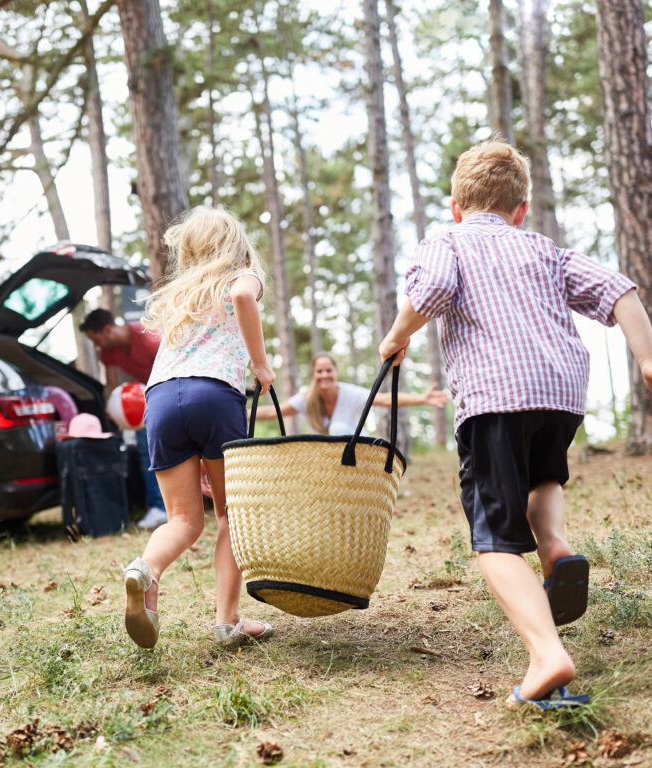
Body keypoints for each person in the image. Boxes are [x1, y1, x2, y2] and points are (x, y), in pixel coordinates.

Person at [377, 140, 652, 710]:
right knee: (543, 478)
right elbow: (619, 290)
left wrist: (398, 335)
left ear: (456, 206)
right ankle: (554, 546)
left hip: (496, 396)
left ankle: (547, 655)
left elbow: (435, 288)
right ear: (520, 210)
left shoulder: (447, 240)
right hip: (559, 394)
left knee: (493, 539)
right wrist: (650, 362)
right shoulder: (544, 248)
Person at [121, 206, 277, 650]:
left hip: (160, 400)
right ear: (235, 244)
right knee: (231, 515)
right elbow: (244, 296)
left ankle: (145, 570)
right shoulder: (240, 276)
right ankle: (228, 621)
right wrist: (261, 365)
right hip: (214, 395)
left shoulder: (180, 296)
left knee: (184, 520)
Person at [79, 308, 168, 530]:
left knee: (158, 448)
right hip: (148, 398)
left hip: (169, 388)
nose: (96, 346)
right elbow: (111, 384)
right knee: (145, 450)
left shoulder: (147, 337)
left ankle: (166, 506)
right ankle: (159, 507)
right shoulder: (108, 352)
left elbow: (173, 370)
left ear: (108, 330)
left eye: (96, 339)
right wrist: (110, 409)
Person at [254, 352, 449, 435]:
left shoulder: (350, 393)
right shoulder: (306, 399)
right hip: (330, 460)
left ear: (335, 372)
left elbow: (385, 400)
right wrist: (243, 414)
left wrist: (422, 398)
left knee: (337, 429)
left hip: (359, 450)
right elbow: (274, 412)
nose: (324, 375)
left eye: (328, 370)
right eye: (319, 371)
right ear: (313, 375)